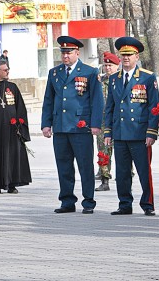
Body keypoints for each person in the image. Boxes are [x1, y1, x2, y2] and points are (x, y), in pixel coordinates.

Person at [41, 36, 104, 214]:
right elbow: (48, 100)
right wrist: (46, 124)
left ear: (77, 52)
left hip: (80, 126)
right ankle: (67, 200)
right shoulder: (55, 72)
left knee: (85, 165)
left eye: (69, 52)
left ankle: (88, 201)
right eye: (63, 52)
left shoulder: (89, 72)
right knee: (64, 165)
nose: (65, 56)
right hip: (60, 126)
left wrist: (95, 124)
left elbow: (97, 100)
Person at [103, 36, 159, 216]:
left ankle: (147, 204)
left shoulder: (147, 78)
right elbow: (109, 107)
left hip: (140, 133)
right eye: (123, 55)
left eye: (130, 55)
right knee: (122, 172)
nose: (126, 58)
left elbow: (154, 107)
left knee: (144, 171)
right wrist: (108, 132)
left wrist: (152, 132)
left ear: (137, 57)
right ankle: (125, 203)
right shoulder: (114, 79)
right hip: (120, 134)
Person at [0, 59, 32, 194]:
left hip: (11, 129)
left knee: (12, 155)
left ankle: (12, 183)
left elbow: (21, 108)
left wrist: (20, 126)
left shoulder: (12, 87)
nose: (8, 72)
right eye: (5, 70)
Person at [96, 51, 120, 191]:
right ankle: (105, 179)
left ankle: (126, 174)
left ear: (117, 66)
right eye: (106, 65)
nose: (108, 68)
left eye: (111, 65)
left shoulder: (121, 79)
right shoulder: (100, 81)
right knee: (103, 151)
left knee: (123, 151)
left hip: (119, 121)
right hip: (104, 122)